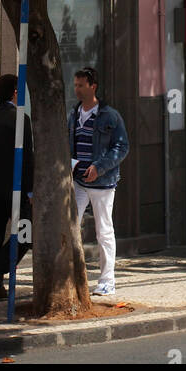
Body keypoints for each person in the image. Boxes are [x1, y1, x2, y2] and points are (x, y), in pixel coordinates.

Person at [67, 66, 129, 295]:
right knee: (71, 226)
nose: (77, 90)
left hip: (102, 184)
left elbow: (122, 147)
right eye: (75, 85)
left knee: (104, 230)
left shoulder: (109, 115)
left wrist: (99, 168)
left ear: (93, 86)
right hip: (78, 181)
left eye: (81, 85)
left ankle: (107, 281)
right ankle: (72, 278)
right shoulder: (73, 114)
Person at [0, 73, 34, 302]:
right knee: (26, 233)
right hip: (16, 189)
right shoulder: (22, 119)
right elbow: (27, 159)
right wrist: (30, 191)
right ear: (14, 92)